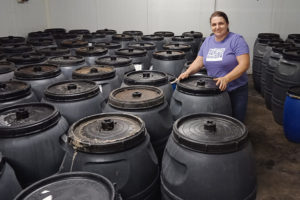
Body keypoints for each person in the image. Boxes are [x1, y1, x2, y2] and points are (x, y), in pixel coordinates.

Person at [178, 11, 250, 122]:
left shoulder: (236, 40)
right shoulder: (208, 41)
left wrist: (226, 78)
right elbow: (199, 61)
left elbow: (244, 64)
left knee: (235, 122)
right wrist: (188, 72)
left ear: (227, 24)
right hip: (215, 91)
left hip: (235, 91)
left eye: (221, 23)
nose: (217, 27)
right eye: (214, 24)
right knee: (217, 124)